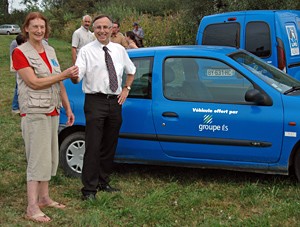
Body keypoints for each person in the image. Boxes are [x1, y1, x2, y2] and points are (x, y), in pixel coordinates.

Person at [12, 12, 79, 223]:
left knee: (49, 157)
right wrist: (64, 75)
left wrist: (67, 108)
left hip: (53, 110)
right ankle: (31, 207)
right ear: (26, 29)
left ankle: (44, 198)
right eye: (35, 27)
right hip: (34, 111)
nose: (39, 30)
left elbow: (58, 83)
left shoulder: (49, 50)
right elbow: (33, 82)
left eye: (42, 27)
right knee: (36, 158)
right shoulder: (20, 53)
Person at [71, 14, 136, 200]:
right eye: (98, 27)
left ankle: (103, 181)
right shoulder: (86, 51)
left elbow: (131, 71)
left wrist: (126, 89)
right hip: (95, 102)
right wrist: (73, 75)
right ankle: (89, 189)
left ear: (112, 29)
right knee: (93, 145)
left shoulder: (119, 50)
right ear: (94, 30)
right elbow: (78, 77)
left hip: (115, 102)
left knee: (110, 143)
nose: (102, 31)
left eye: (106, 27)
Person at [10, 33, 27, 114]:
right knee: (18, 89)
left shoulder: (20, 49)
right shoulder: (19, 50)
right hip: (20, 72)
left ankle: (18, 106)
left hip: (21, 72)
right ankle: (15, 107)